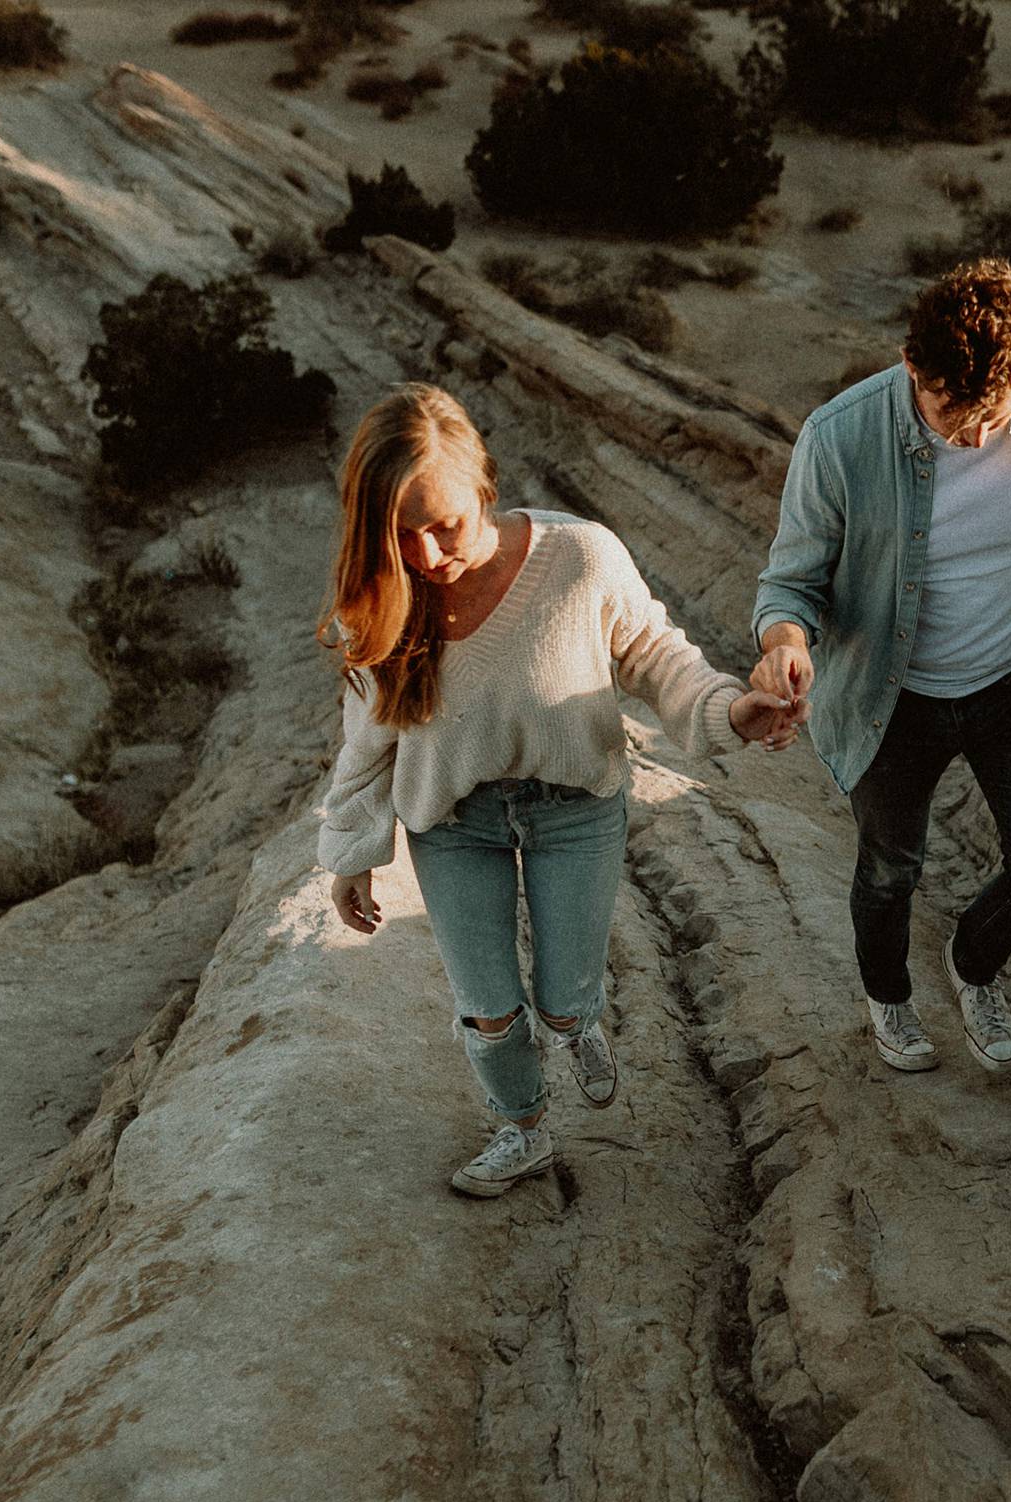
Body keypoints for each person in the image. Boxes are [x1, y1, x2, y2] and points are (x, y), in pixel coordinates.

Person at [315, 383, 803, 1198]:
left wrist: (730, 709)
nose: (430, 556)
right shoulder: (384, 606)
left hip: (574, 809)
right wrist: (351, 855)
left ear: (483, 483)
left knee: (564, 996)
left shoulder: (580, 557)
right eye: (405, 536)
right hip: (454, 822)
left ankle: (578, 1026)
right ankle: (523, 1129)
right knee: (488, 1006)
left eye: (446, 526)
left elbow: (653, 652)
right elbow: (367, 745)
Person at [749, 257, 1011, 1074]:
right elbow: (790, 583)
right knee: (891, 870)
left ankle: (972, 964)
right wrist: (784, 644)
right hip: (894, 700)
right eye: (944, 410)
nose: (966, 435)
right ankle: (890, 999)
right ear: (910, 366)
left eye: (989, 415)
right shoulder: (840, 435)